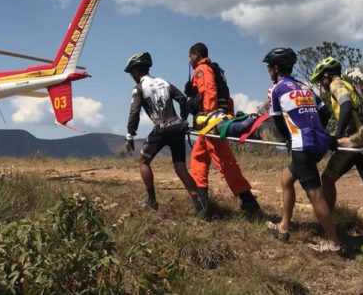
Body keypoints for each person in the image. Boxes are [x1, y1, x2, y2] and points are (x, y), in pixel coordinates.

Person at [263, 47, 342, 253]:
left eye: (270, 67)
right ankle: (284, 226)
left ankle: (334, 242)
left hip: (302, 145)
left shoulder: (277, 89)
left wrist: (290, 138)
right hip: (318, 142)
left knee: (315, 195)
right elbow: (324, 112)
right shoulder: (305, 86)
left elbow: (278, 121)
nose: (269, 71)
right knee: (286, 179)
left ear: (276, 68)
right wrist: (317, 131)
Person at [186, 42, 261, 216]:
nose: (190, 61)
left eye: (190, 57)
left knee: (221, 163)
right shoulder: (216, 69)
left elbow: (210, 92)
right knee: (203, 159)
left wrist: (208, 118)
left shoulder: (202, 69)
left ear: (196, 55)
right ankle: (205, 204)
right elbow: (225, 97)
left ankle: (244, 202)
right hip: (216, 121)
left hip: (211, 124)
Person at [124, 52, 204, 212]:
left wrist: (130, 134)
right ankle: (201, 204)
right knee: (180, 167)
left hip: (161, 129)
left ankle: (152, 202)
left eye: (131, 72)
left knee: (144, 161)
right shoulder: (163, 81)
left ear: (136, 71)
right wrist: (182, 118)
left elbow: (134, 112)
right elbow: (182, 98)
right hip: (177, 127)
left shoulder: (139, 88)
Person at [310, 57, 363, 212]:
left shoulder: (337, 84)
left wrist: (338, 135)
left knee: (327, 179)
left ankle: (327, 221)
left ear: (328, 75)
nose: (322, 83)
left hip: (353, 141)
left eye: (322, 78)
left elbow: (346, 105)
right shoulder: (349, 85)